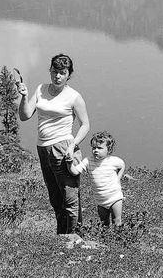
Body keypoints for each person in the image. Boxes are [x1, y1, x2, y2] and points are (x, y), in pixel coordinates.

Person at [16, 53, 90, 234]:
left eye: (62, 73)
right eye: (55, 71)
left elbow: (85, 125)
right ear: (50, 70)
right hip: (43, 148)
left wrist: (73, 145)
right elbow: (25, 116)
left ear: (68, 75)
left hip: (63, 148)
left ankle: (73, 236)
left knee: (69, 196)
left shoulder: (74, 97)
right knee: (55, 197)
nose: (57, 76)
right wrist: (24, 97)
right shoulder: (41, 89)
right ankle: (62, 235)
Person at [69, 130, 125, 227]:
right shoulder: (88, 161)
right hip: (100, 201)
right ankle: (105, 239)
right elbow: (75, 172)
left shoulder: (113, 161)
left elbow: (122, 165)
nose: (96, 150)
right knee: (104, 223)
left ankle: (119, 239)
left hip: (115, 197)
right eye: (94, 147)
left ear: (109, 149)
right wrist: (69, 163)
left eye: (99, 148)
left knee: (117, 221)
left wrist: (118, 179)